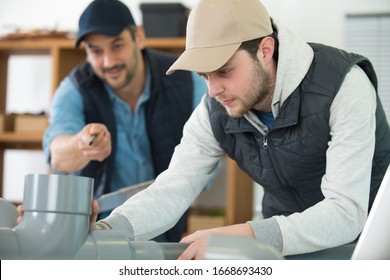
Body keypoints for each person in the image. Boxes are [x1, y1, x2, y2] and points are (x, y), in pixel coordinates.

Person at [86, 0, 390, 259]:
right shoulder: (215, 108)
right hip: (282, 248)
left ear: (265, 50)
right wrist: (109, 229)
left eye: (224, 71)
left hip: (368, 249)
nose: (214, 89)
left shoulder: (344, 87)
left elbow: (345, 213)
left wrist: (243, 235)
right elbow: (173, 187)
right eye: (205, 75)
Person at [42, 0, 208, 242]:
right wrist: (81, 145)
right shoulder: (74, 89)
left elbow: (205, 160)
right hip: (94, 237)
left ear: (139, 37)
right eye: (96, 51)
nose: (109, 62)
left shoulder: (187, 81)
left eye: (117, 45)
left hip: (165, 231)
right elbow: (56, 155)